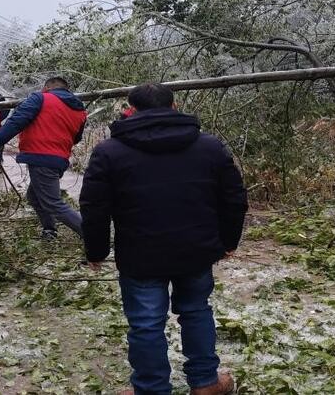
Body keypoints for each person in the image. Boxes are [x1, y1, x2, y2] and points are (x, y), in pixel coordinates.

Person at [80, 83, 247, 395]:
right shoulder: (209, 146)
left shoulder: (109, 152)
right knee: (196, 310)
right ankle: (206, 384)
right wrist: (229, 240)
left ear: (130, 110)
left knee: (145, 323)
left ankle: (151, 389)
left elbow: (94, 207)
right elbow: (234, 198)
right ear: (174, 106)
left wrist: (97, 250)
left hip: (140, 256)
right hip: (195, 252)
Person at [0, 77, 88, 239]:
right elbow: (76, 138)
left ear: (46, 87)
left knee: (53, 203)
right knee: (34, 197)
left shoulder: (40, 98)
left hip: (41, 156)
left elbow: (17, 120)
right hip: (59, 158)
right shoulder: (80, 109)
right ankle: (50, 231)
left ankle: (93, 234)